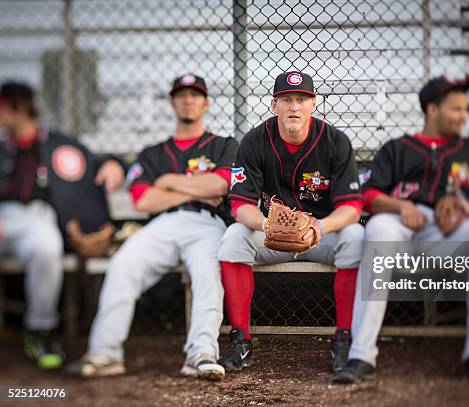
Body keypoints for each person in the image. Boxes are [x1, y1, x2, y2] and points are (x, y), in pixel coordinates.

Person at [66, 74, 238, 380]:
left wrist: (169, 182)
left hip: (207, 225)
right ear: (172, 102)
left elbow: (220, 185)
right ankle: (106, 354)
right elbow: (144, 201)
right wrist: (196, 188)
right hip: (162, 225)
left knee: (208, 272)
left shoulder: (223, 145)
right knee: (122, 265)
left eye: (195, 95)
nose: (188, 100)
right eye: (181, 95)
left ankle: (201, 353)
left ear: (206, 102)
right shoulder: (152, 153)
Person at [335, 75, 469, 383]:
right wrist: (401, 206)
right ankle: (361, 355)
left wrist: (463, 208)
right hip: (401, 228)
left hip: (447, 234)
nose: (464, 116)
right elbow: (368, 196)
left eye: (465, 109)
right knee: (380, 229)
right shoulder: (398, 149)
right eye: (456, 109)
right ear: (433, 110)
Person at [218, 71, 364, 373]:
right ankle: (240, 338)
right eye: (286, 100)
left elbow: (351, 207)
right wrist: (267, 227)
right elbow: (240, 205)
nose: (294, 107)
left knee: (355, 238)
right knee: (234, 238)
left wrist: (320, 227)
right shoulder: (255, 141)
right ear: (274, 105)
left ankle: (344, 336)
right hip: (273, 236)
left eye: (302, 99)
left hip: (320, 234)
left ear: (314, 104)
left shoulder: (335, 142)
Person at [0, 81, 125, 370]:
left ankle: (39, 330)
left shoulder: (55, 142)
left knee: (47, 246)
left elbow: (92, 160)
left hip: (37, 217)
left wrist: (114, 163)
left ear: (19, 107)